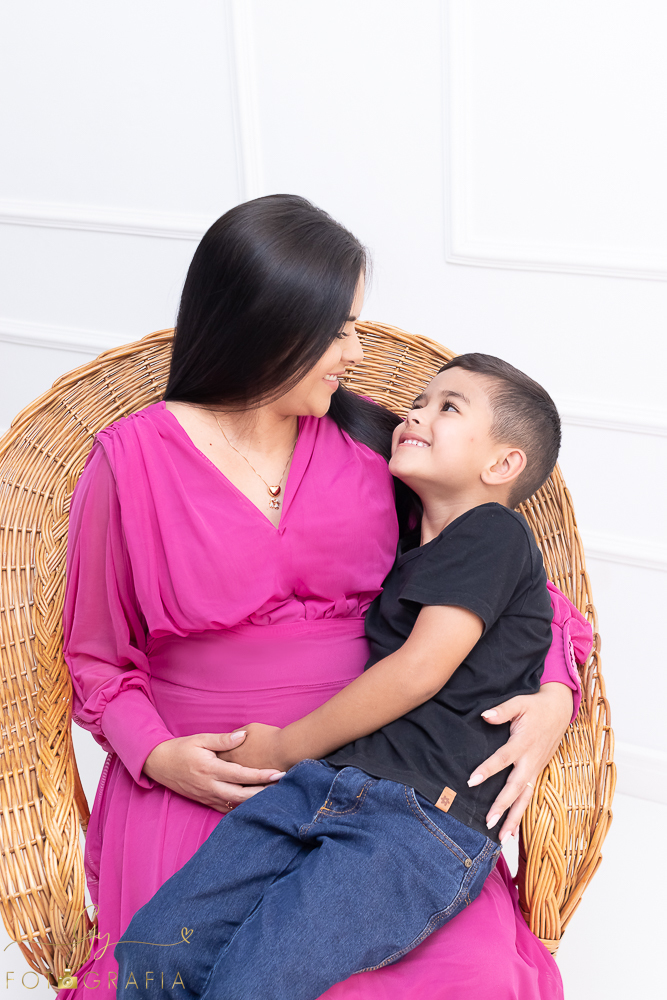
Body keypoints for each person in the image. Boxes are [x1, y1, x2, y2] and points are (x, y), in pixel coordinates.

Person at [58, 195, 588, 1000]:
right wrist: (157, 755)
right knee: (179, 964)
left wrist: (553, 693)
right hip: (216, 767)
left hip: (392, 771)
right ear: (271, 326)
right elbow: (95, 660)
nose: (354, 350)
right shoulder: (127, 464)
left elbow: (518, 590)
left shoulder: (383, 444)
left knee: (448, 976)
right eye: (338, 328)